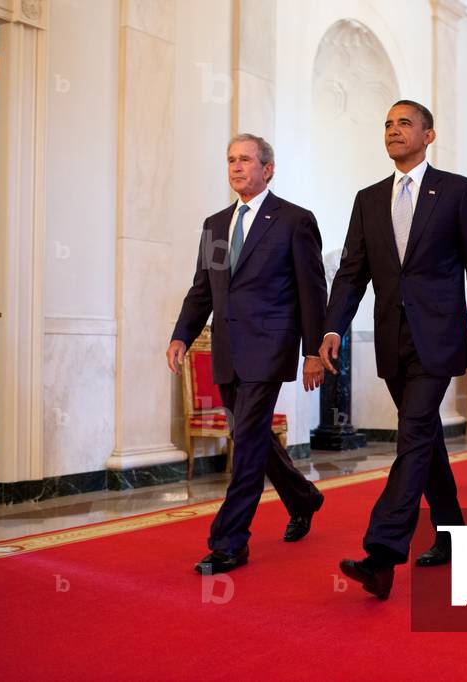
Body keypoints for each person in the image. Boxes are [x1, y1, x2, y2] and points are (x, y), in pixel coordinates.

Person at [319, 100, 467, 599]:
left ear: (429, 135)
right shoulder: (368, 199)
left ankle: (382, 554)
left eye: (404, 123)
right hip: (392, 339)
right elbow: (352, 272)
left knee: (413, 434)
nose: (394, 131)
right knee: (426, 441)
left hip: (439, 338)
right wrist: (333, 328)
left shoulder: (458, 192)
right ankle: (453, 535)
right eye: (388, 125)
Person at [167, 134, 328, 574]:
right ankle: (303, 496)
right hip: (226, 349)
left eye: (246, 160)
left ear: (267, 168)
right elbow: (204, 288)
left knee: (248, 442)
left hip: (269, 347)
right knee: (250, 435)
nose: (237, 167)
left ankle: (230, 541)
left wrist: (313, 351)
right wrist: (182, 334)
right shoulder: (215, 225)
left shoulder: (295, 221)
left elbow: (313, 292)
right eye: (231, 160)